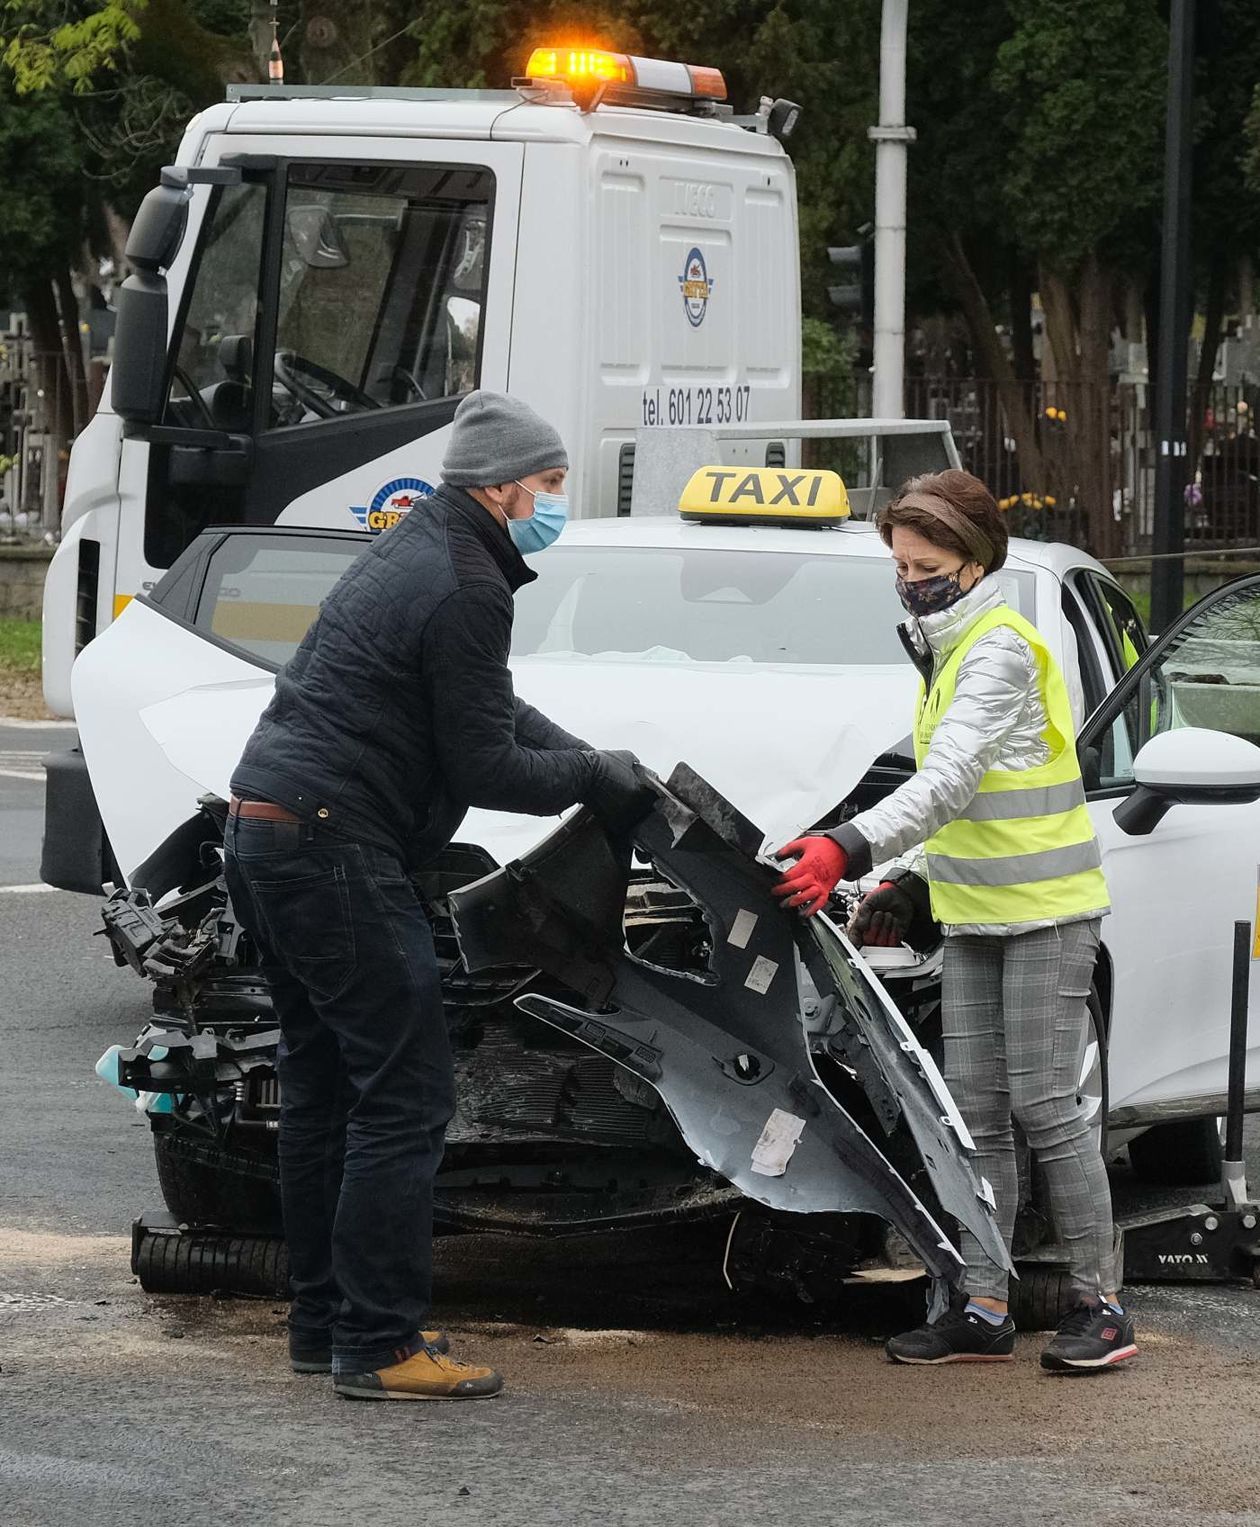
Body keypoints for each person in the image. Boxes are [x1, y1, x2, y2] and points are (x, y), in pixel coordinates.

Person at [224, 391, 650, 1402]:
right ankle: (379, 1345)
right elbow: (486, 762)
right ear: (500, 488)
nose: (555, 504)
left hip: (266, 828)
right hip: (335, 846)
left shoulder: (414, 546)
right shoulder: (465, 580)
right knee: (407, 1097)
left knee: (326, 1088)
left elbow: (486, 704)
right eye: (548, 486)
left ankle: (326, 1327)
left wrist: (585, 751)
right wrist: (594, 777)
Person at [774, 469, 1137, 1374]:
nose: (910, 580)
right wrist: (905, 879)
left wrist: (845, 849)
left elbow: (947, 782)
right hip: (975, 916)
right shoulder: (945, 648)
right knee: (975, 1113)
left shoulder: (999, 650)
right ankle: (982, 1304)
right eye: (899, 564)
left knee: (1048, 1108)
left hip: (1049, 912)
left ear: (974, 564)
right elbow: (960, 810)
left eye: (926, 564)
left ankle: (1103, 1304)